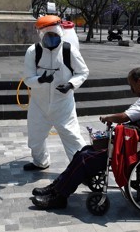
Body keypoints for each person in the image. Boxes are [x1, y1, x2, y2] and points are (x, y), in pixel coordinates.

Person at [30, 67, 140, 210]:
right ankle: (56, 188)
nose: (131, 89)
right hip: (134, 140)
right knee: (83, 151)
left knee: (85, 159)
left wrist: (108, 117)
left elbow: (126, 116)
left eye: (131, 85)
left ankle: (60, 197)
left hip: (136, 145)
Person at [23, 15, 89, 171]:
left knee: (73, 137)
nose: (51, 38)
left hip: (63, 104)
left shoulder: (68, 50)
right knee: (35, 138)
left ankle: (82, 168)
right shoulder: (33, 51)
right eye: (48, 35)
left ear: (59, 34)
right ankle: (40, 162)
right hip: (39, 105)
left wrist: (70, 85)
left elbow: (83, 72)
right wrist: (40, 80)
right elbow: (27, 79)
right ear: (42, 35)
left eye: (54, 35)